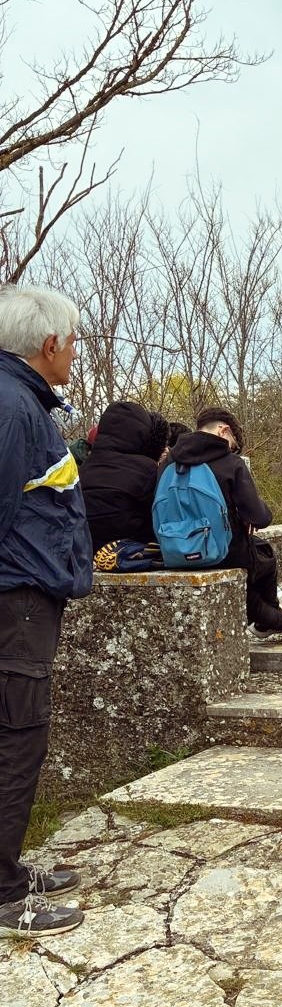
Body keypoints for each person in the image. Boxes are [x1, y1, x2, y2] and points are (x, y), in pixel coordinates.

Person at [0, 285, 93, 938]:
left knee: (17, 736)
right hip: (15, 601)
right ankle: (3, 896)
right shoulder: (11, 409)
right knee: (15, 738)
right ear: (50, 344)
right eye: (74, 341)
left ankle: (6, 869)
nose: (76, 354)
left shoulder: (21, 403)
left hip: (26, 597)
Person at [169, 409, 282, 644]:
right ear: (223, 430)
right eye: (233, 443)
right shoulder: (230, 463)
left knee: (251, 576)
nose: (232, 449)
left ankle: (273, 621)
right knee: (263, 554)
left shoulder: (169, 463)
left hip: (175, 550)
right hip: (222, 551)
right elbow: (260, 517)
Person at [80, 400, 170, 554]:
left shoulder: (84, 467)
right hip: (130, 550)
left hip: (87, 549)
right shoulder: (146, 468)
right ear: (141, 433)